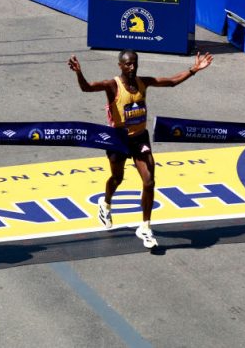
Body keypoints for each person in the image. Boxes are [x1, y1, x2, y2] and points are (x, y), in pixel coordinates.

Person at [68, 49, 213, 248]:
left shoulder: (143, 82)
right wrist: (78, 72)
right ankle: (105, 203)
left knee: (149, 181)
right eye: (128, 64)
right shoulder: (112, 85)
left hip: (139, 139)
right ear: (120, 65)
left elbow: (170, 81)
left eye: (135, 63)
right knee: (117, 178)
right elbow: (87, 88)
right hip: (118, 140)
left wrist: (194, 69)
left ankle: (145, 226)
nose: (132, 67)